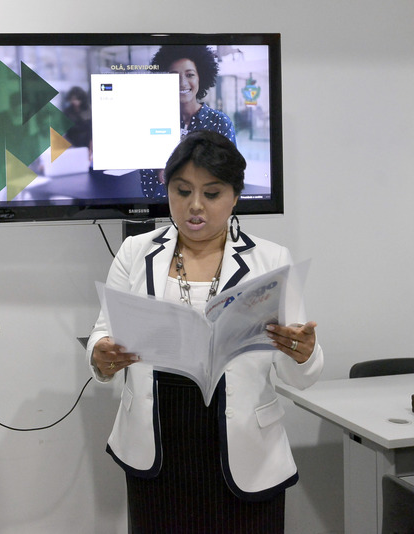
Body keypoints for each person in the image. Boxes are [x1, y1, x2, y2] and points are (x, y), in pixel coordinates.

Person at [87, 131, 323, 533]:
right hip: (156, 445)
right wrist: (101, 355)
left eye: (212, 194)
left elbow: (299, 375)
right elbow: (103, 333)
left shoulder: (271, 260)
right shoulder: (135, 252)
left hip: (246, 450)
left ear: (235, 196)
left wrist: (302, 353)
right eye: (182, 191)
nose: (195, 205)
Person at [141, 45, 236, 198]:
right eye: (173, 75)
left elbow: (230, 176)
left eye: (190, 75)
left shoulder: (220, 122)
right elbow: (148, 186)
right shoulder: (153, 121)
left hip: (205, 210)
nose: (182, 83)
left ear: (200, 77)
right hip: (161, 206)